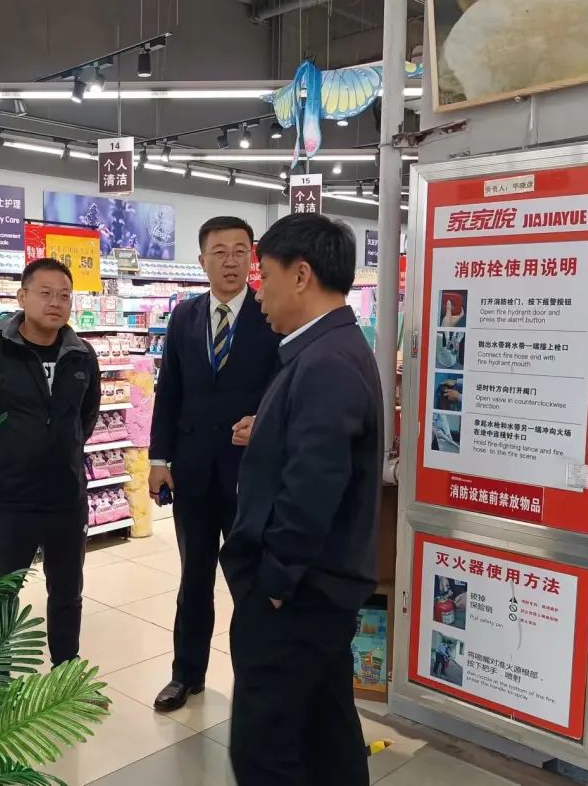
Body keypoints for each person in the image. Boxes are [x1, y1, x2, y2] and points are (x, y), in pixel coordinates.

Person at [221, 213, 382, 786]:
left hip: (297, 596)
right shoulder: (330, 348)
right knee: (326, 732)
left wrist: (274, 584)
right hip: (317, 590)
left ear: (301, 275)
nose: (257, 292)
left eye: (263, 275)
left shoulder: (325, 361)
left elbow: (313, 487)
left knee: (264, 748)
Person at [147, 216, 280, 712]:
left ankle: (256, 681)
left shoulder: (270, 314)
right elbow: (170, 390)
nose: (231, 261)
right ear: (202, 260)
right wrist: (158, 458)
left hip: (251, 471)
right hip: (194, 471)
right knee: (194, 579)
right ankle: (186, 674)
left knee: (250, 580)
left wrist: (265, 422)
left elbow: (286, 387)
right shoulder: (184, 316)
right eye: (220, 252)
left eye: (240, 251)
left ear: (253, 259)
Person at [0, 258, 101, 666]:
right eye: (45, 293)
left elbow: (86, 416)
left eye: (64, 296)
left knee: (68, 592)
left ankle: (65, 672)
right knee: (0, 596)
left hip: (66, 498)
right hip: (7, 498)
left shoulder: (82, 355)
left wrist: (62, 448)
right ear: (22, 297)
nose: (56, 302)